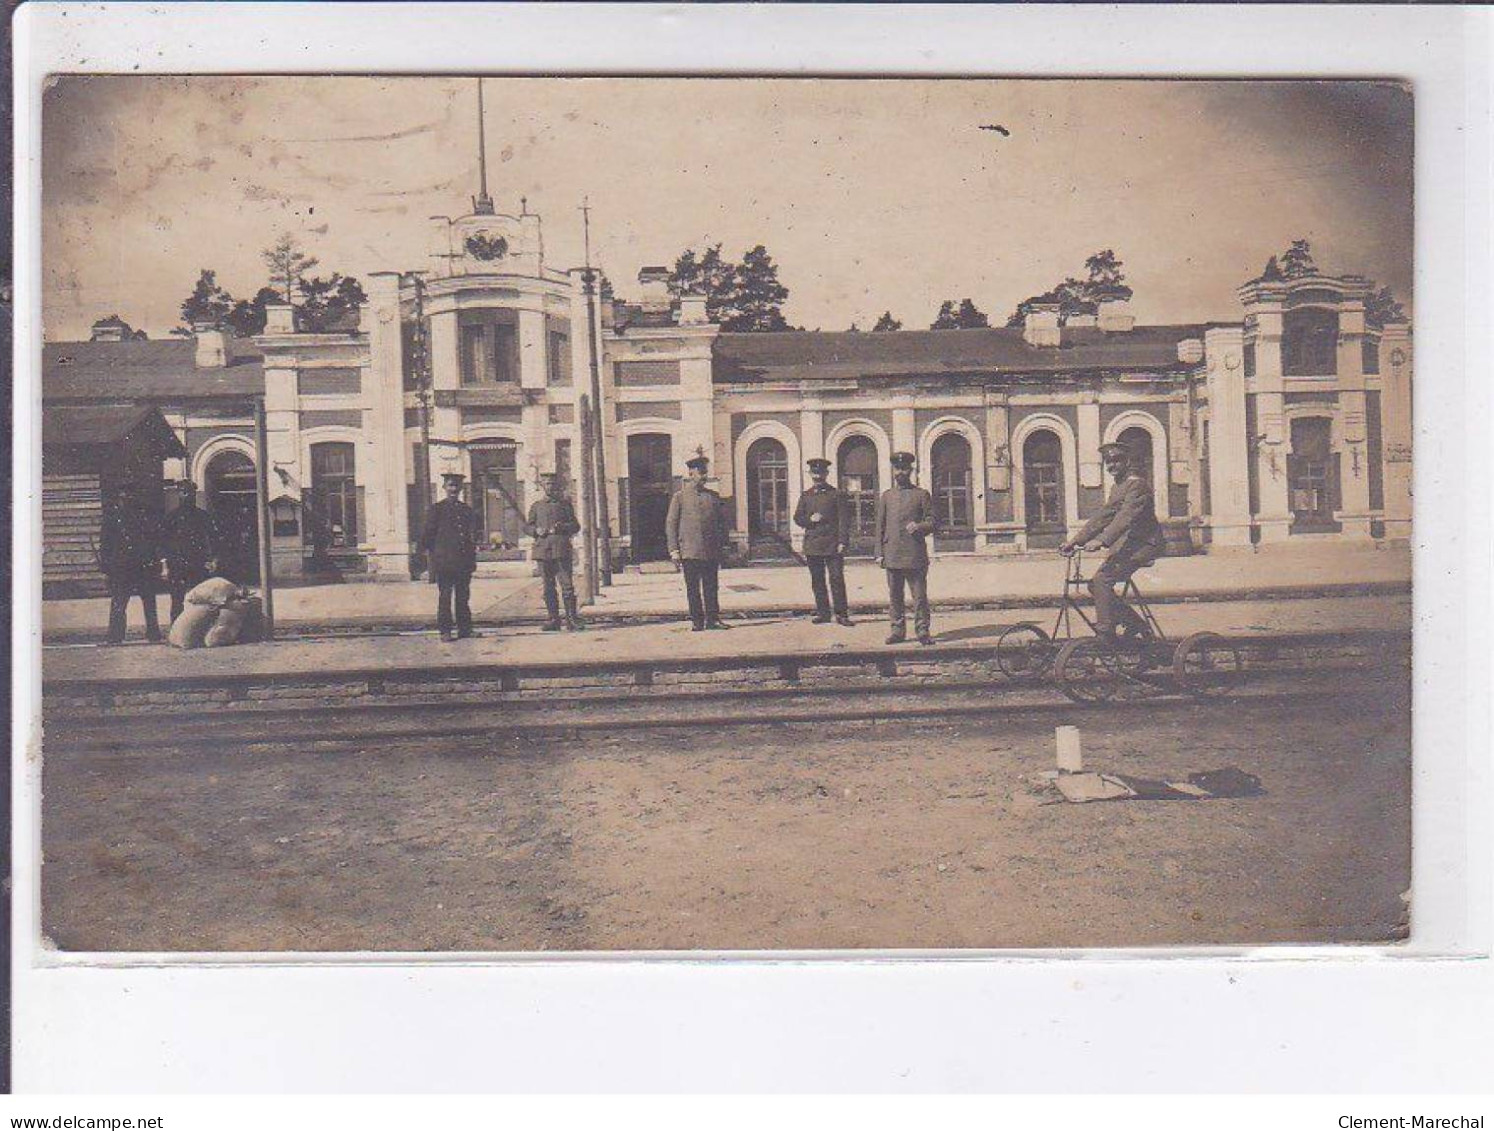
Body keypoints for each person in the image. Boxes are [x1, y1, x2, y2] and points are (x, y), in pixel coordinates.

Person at [1060, 440, 1168, 645]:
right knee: (1095, 585)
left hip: (1144, 545)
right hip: (1129, 545)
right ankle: (1134, 623)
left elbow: (1125, 517)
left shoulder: (1137, 484)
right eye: (1108, 462)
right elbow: (1104, 516)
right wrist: (1074, 542)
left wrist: (1102, 540)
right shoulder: (1118, 486)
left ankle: (1106, 631)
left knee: (1101, 581)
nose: (1112, 466)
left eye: (1117, 460)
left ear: (1127, 461)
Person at [875, 450, 938, 646]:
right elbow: (880, 526)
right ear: (893, 470)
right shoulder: (886, 496)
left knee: (919, 596)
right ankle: (897, 631)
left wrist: (919, 526)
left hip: (914, 554)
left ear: (910, 470)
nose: (900, 472)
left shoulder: (921, 495)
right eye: (897, 469)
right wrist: (879, 552)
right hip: (892, 553)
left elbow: (933, 522)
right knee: (895, 596)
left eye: (904, 468)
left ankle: (922, 631)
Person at [666, 453, 730, 632]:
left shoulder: (713, 497)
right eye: (700, 472)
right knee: (693, 588)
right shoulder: (679, 497)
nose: (704, 476)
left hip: (711, 551)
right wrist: (673, 550)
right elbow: (671, 524)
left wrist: (724, 546)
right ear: (691, 474)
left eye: (705, 472)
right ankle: (697, 620)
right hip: (689, 551)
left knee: (711, 587)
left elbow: (722, 524)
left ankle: (713, 619)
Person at [98, 482, 163, 645]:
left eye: (130, 494)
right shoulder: (112, 518)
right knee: (119, 602)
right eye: (124, 495)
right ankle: (115, 636)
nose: (127, 498)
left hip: (142, 565)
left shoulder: (142, 515)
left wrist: (154, 562)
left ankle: (153, 634)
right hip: (121, 567)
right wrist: (106, 567)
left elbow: (152, 540)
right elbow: (105, 544)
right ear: (119, 497)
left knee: (149, 600)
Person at [793, 456, 854, 626]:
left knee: (836, 578)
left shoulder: (836, 494)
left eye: (820, 473)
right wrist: (810, 519)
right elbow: (797, 518)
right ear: (810, 474)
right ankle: (823, 613)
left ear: (826, 474)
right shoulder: (806, 496)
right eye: (814, 473)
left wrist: (843, 541)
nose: (817, 477)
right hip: (813, 544)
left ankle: (841, 614)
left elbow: (844, 520)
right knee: (817, 580)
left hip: (832, 544)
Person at [420, 472, 480, 642]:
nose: (454, 489)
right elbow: (427, 536)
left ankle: (465, 629)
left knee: (463, 597)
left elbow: (470, 538)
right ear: (444, 487)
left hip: (463, 562)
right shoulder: (436, 509)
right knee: (445, 597)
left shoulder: (466, 510)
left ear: (461, 488)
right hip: (444, 562)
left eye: (456, 486)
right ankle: (445, 631)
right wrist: (434, 559)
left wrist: (472, 560)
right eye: (450, 485)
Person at [527, 472, 584, 632]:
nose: (550, 487)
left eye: (552, 484)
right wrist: (536, 530)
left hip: (561, 550)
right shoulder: (536, 506)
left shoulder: (565, 505)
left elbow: (576, 526)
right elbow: (527, 526)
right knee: (548, 587)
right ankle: (553, 619)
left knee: (567, 585)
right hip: (543, 551)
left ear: (557, 486)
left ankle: (572, 619)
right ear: (543, 486)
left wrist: (562, 527)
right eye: (547, 484)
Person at [160, 480, 218, 624]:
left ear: (194, 494)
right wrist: (164, 567)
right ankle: (176, 630)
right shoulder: (171, 518)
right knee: (177, 600)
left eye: (190, 493)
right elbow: (163, 544)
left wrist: (214, 560)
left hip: (198, 563)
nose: (187, 496)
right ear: (179, 494)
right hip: (177, 565)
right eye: (183, 492)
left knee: (201, 599)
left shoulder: (203, 516)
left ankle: (200, 628)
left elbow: (214, 539)